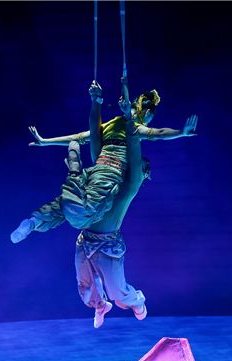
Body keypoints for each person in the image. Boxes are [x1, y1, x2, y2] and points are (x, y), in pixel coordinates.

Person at [10, 79, 197, 243]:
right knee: (86, 213)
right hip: (110, 173)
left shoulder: (109, 125)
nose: (149, 120)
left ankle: (33, 222)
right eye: (150, 116)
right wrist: (182, 132)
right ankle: (74, 171)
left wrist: (45, 141)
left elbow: (77, 137)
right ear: (146, 112)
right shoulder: (135, 128)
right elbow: (160, 133)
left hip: (95, 170)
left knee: (61, 205)